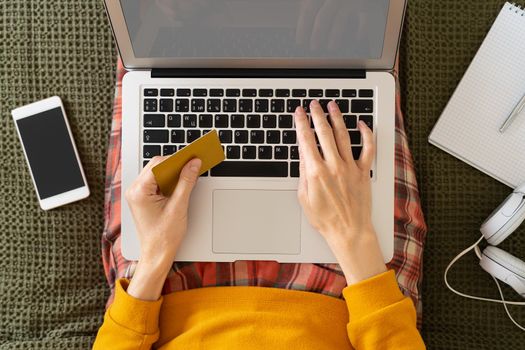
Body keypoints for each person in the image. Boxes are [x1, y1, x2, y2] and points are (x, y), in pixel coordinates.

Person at [93, 100, 426, 349]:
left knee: (162, 58)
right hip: (354, 289)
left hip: (163, 287)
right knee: (353, 64)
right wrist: (354, 238)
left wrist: (153, 257)